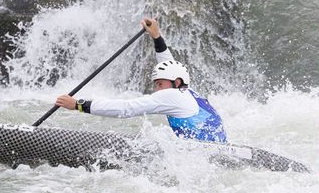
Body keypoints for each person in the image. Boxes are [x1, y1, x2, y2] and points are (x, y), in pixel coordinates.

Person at [54, 18, 227, 143]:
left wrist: (79, 104)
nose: (158, 90)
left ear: (176, 82)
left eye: (160, 84)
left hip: (201, 156)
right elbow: (170, 65)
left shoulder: (171, 96)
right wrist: (157, 37)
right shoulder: (189, 93)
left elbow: (126, 109)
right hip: (217, 153)